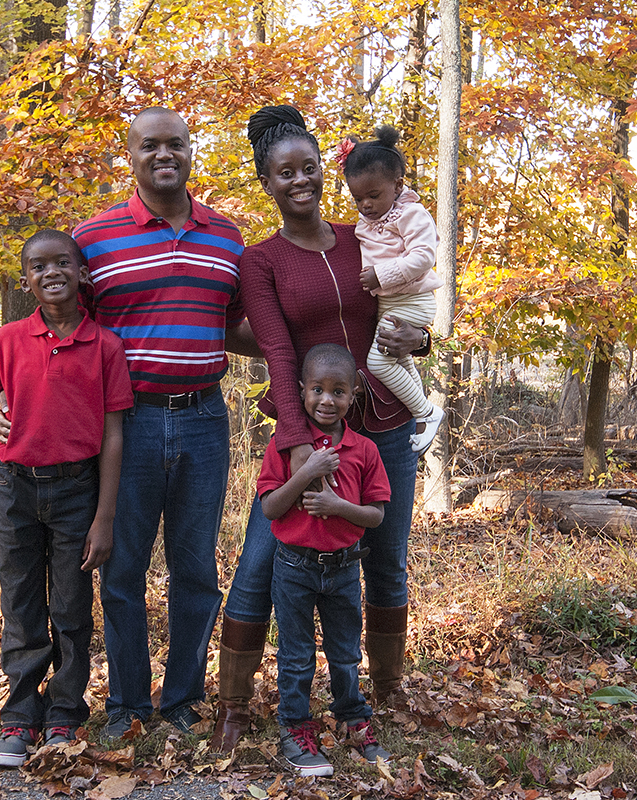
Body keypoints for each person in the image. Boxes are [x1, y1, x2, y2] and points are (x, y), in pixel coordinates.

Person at [0, 107, 258, 739]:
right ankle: (128, 705)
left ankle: (181, 701)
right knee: (121, 569)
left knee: (196, 569)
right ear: (131, 156)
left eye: (176, 145)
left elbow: (244, 326)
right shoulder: (94, 238)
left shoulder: (227, 235)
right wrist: (7, 402)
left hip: (203, 418)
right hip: (126, 426)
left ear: (191, 152)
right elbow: (57, 330)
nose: (164, 155)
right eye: (150, 146)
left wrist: (320, 341)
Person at [210, 105, 427, 754]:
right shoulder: (261, 262)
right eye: (285, 173)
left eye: (309, 168)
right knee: (257, 564)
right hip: (308, 432)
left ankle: (383, 695)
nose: (299, 180)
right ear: (267, 182)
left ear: (321, 174)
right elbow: (278, 352)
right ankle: (232, 707)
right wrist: (302, 448)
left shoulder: (363, 236)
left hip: (384, 422)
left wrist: (422, 335)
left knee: (385, 561)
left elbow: (410, 303)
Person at [0, 229, 133, 767]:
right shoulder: (8, 340)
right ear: (26, 281)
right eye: (38, 266)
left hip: (76, 491)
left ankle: (65, 711)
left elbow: (114, 434)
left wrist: (104, 517)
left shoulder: (106, 346)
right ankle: (20, 716)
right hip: (14, 487)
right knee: (20, 605)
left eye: (63, 262)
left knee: (70, 607)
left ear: (82, 272)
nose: (52, 273)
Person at [260, 343, 393, 775]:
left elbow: (375, 515)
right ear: (300, 391)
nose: (326, 400)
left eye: (338, 391)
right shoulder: (285, 446)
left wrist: (337, 506)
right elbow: (270, 508)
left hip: (343, 569)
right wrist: (307, 469)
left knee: (345, 652)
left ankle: (353, 719)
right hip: (294, 567)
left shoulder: (364, 451)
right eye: (317, 389)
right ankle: (296, 728)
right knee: (296, 654)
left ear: (354, 395)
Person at [339, 125, 445, 455]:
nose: (366, 205)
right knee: (399, 359)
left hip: (412, 300)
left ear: (397, 185)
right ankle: (423, 411)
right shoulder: (368, 221)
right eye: (358, 198)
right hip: (392, 302)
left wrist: (381, 275)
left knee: (380, 363)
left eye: (374, 196)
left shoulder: (410, 214)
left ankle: (426, 412)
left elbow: (424, 256)